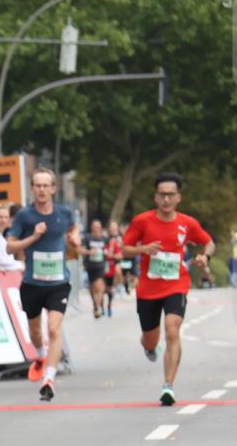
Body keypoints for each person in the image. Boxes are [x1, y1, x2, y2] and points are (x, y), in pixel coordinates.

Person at [122, 173, 214, 406]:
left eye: (170, 194)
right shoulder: (142, 221)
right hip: (148, 289)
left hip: (176, 285)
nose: (166, 199)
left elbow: (209, 242)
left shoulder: (187, 223)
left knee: (172, 330)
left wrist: (205, 257)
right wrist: (143, 249)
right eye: (162, 194)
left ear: (178, 197)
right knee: (152, 340)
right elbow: (124, 249)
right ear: (155, 197)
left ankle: (168, 386)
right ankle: (148, 345)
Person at [6, 167, 80, 401]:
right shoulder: (24, 216)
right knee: (36, 331)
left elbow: (72, 228)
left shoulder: (64, 213)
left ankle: (49, 376)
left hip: (59, 282)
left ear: (53, 189)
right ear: (32, 188)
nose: (41, 189)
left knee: (54, 329)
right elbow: (10, 247)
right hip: (32, 283)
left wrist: (74, 238)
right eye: (37, 185)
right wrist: (33, 237)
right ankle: (39, 355)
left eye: (45, 185)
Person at [80, 219, 110, 318]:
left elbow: (109, 249)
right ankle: (95, 304)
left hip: (101, 265)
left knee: (100, 285)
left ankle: (98, 305)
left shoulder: (104, 239)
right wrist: (89, 252)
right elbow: (81, 250)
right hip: (90, 265)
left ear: (101, 228)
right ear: (91, 228)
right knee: (93, 286)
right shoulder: (87, 238)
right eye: (95, 227)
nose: (97, 229)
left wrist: (108, 253)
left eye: (98, 227)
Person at [103, 220, 123, 316]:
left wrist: (118, 244)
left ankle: (117, 286)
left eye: (115, 228)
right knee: (105, 288)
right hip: (106, 263)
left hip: (115, 261)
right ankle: (103, 304)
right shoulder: (105, 238)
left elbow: (122, 251)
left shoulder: (120, 238)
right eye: (111, 228)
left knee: (118, 270)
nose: (113, 229)